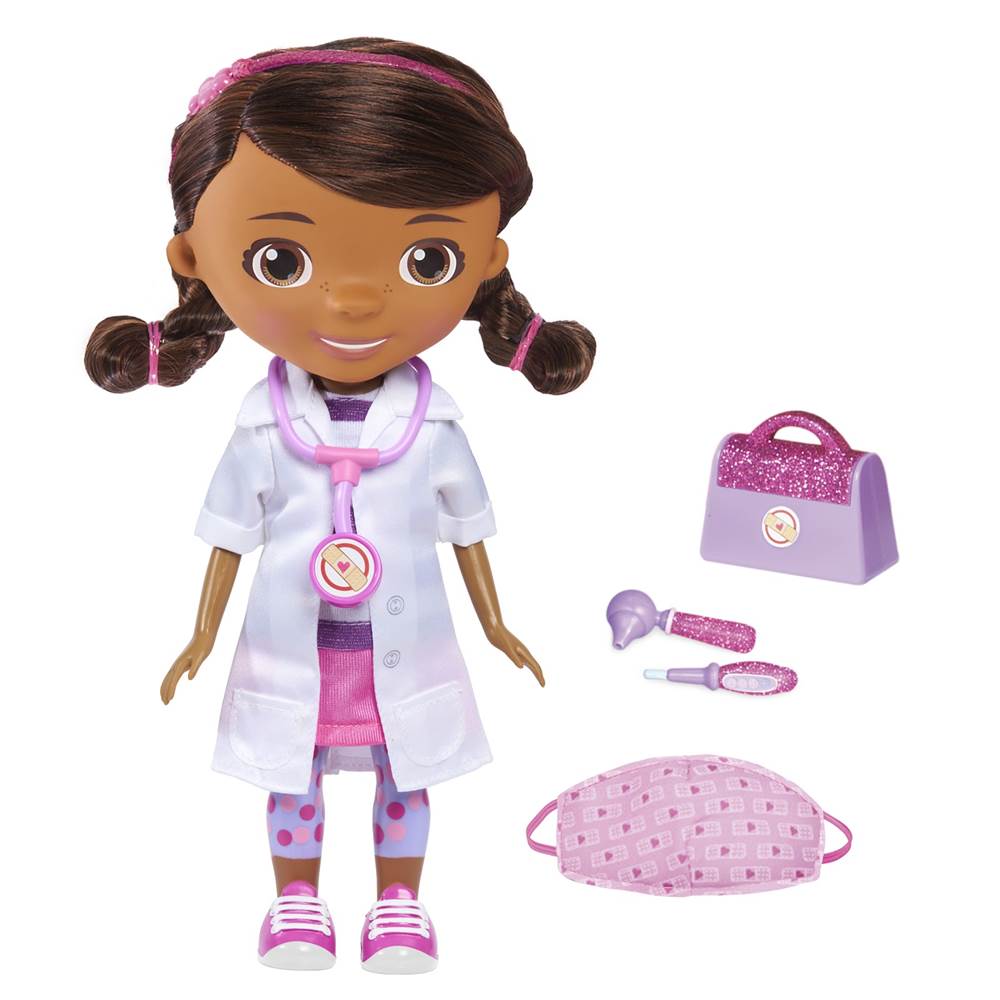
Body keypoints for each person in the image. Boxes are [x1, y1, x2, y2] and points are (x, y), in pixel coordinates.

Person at [85, 38, 595, 974]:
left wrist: (495, 623)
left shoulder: (436, 424)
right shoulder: (260, 426)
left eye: (427, 258)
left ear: (487, 261)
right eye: (281, 259)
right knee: (295, 776)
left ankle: (400, 903)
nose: (355, 299)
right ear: (195, 258)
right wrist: (201, 635)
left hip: (408, 644)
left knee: (408, 772)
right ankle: (296, 902)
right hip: (297, 651)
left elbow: (467, 533)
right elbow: (230, 539)